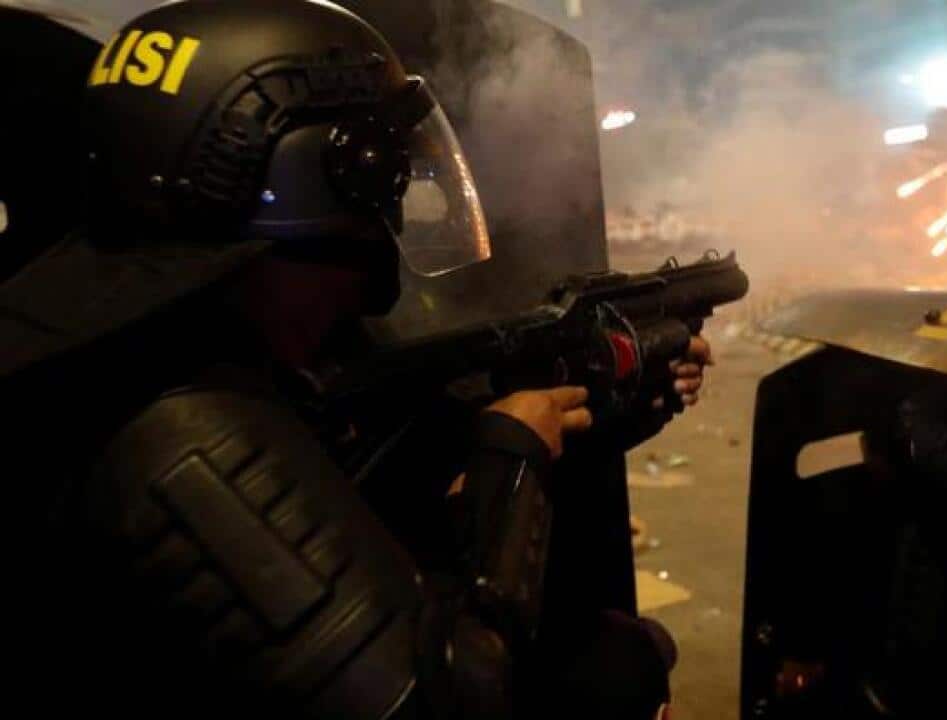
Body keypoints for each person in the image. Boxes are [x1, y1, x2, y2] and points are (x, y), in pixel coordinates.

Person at [3, 1, 708, 717]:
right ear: (316, 185)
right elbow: (455, 696)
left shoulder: (124, 342)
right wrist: (511, 461)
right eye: (381, 191)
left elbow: (368, 484)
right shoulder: (178, 429)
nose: (387, 229)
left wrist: (611, 402)